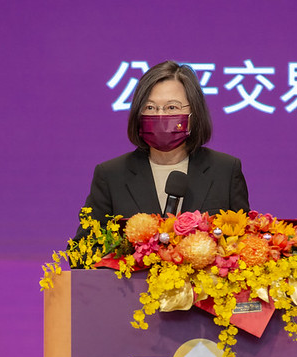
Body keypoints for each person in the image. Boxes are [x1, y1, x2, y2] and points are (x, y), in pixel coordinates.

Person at [75, 60, 249, 238]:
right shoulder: (111, 175)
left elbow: (247, 241)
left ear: (194, 114)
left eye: (172, 107)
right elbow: (82, 249)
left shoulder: (225, 171)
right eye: (150, 107)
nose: (160, 115)